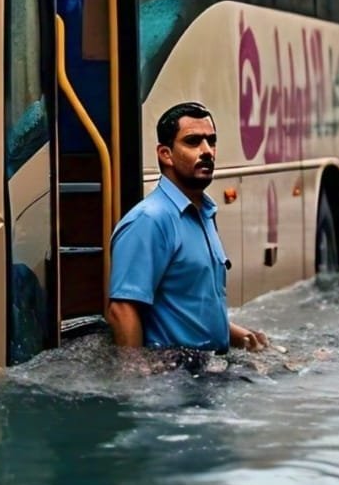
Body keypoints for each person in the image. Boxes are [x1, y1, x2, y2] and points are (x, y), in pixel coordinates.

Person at [106, 101, 268, 354]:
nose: (207, 151)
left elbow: (189, 304)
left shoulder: (203, 213)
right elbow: (122, 309)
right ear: (165, 154)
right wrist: (135, 381)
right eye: (193, 142)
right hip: (173, 378)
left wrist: (239, 335)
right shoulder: (149, 220)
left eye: (211, 141)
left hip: (207, 374)